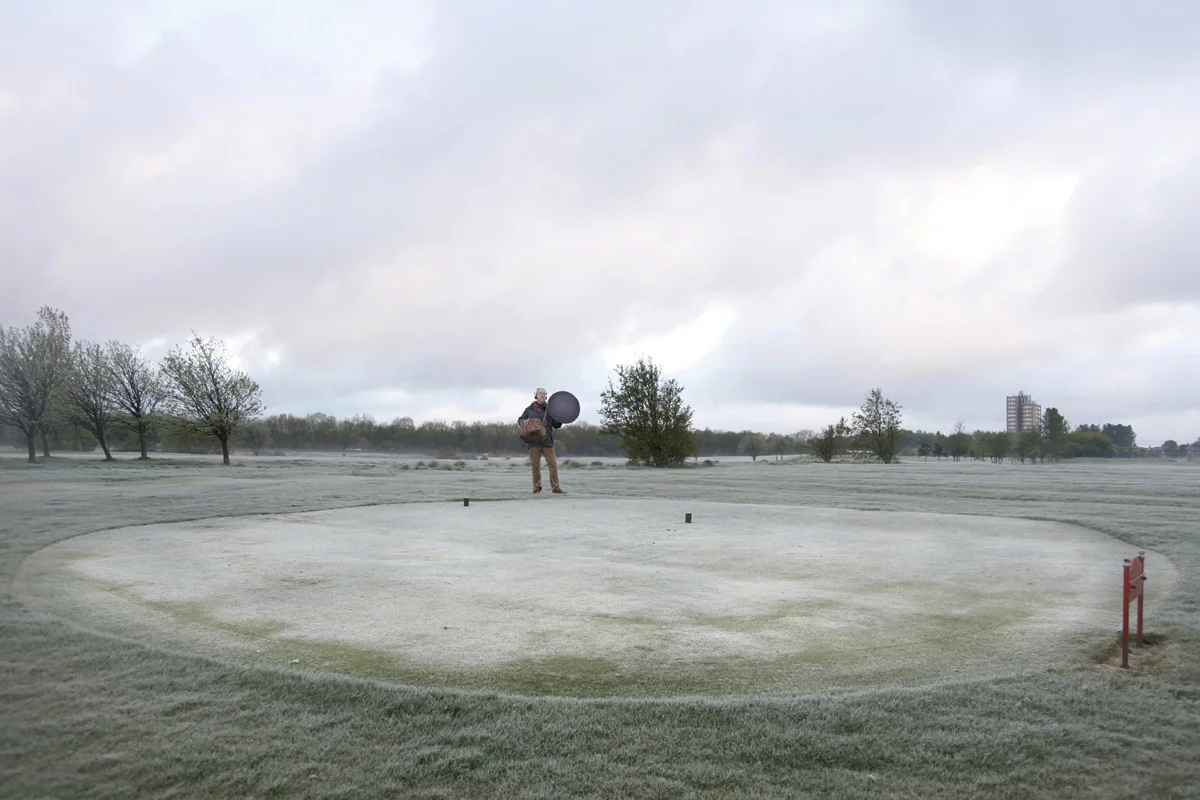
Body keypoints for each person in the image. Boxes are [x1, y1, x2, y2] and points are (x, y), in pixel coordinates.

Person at [519, 388, 564, 494]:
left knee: (553, 465)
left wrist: (561, 417)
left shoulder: (551, 409)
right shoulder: (529, 409)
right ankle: (536, 488)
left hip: (547, 441)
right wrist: (524, 421)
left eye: (544, 393)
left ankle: (556, 488)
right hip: (533, 441)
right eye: (540, 393)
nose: (543, 395)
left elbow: (556, 425)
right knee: (535, 466)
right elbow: (520, 419)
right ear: (536, 395)